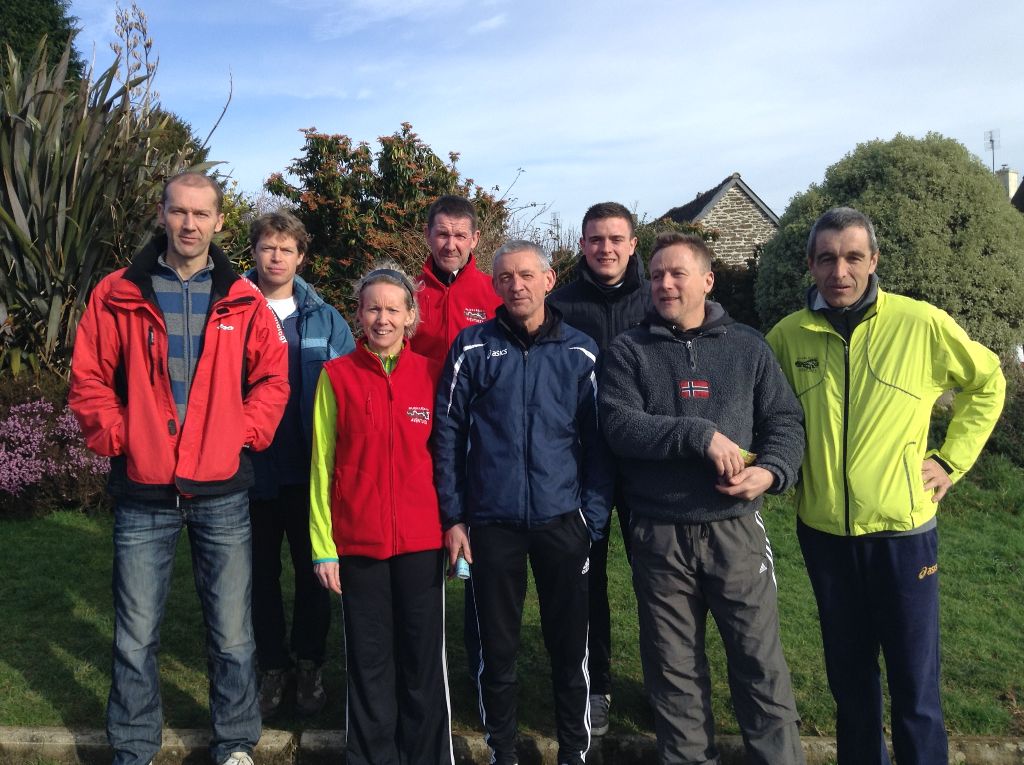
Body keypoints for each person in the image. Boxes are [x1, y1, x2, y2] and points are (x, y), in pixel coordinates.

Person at [766, 207, 1006, 765]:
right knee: (850, 686)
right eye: (827, 258)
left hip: (903, 536)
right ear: (810, 264)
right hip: (824, 535)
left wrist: (950, 461)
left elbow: (988, 380)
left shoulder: (919, 323)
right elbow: (765, 415)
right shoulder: (787, 336)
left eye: (853, 257)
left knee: (915, 687)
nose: (840, 271)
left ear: (873, 260)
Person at [69, 172, 289, 765]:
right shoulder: (117, 293)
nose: (189, 224)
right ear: (162, 214)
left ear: (219, 221)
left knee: (233, 633)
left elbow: (272, 379)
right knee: (135, 634)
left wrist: (241, 433)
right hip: (144, 489)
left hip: (222, 490)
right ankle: (134, 747)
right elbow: (88, 378)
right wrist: (122, 437)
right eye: (179, 211)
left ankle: (235, 744)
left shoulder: (243, 298)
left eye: (201, 213)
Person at [600, 232, 806, 765]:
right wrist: (698, 434)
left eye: (677, 273)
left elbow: (784, 421)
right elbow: (619, 425)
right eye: (657, 275)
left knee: (759, 663)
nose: (664, 284)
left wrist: (772, 472)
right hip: (659, 534)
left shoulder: (748, 347)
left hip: (734, 529)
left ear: (708, 280)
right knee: (674, 672)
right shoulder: (628, 351)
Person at [433, 240, 613, 765]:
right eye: (506, 277)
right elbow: (446, 435)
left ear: (548, 280)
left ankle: (573, 751)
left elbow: (600, 443)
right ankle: (503, 751)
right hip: (491, 524)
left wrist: (590, 519)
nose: (517, 285)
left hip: (563, 522)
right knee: (497, 648)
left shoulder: (581, 351)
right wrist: (455, 516)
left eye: (527, 275)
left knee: (569, 647)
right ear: (495, 285)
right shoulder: (471, 348)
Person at [308, 264, 452, 765]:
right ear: (358, 314)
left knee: (422, 662)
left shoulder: (432, 374)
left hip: (421, 543)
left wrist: (454, 526)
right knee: (369, 663)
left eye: (393, 309)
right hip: (358, 544)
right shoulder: (336, 376)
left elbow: (448, 459)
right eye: (373, 308)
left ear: (411, 315)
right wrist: (323, 547)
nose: (382, 319)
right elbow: (322, 465)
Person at [244, 211, 355, 718]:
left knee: (315, 576)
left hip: (311, 474)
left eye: (286, 249)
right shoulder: (231, 310)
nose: (276, 257)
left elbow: (349, 389)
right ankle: (272, 667)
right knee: (258, 578)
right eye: (268, 247)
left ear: (301, 257)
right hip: (249, 472)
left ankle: (309, 664)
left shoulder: (326, 319)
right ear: (254, 252)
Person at [547, 201, 651, 736]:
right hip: (579, 463)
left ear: (632, 244)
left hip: (646, 463)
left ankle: (667, 683)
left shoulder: (657, 298)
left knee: (657, 579)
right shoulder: (559, 305)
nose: (605, 248)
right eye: (595, 239)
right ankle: (597, 685)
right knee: (586, 580)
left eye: (615, 239)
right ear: (582, 245)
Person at [411, 194, 501, 363]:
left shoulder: (497, 292)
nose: (450, 246)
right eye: (442, 235)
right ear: (427, 235)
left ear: (474, 239)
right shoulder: (407, 293)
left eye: (460, 236)